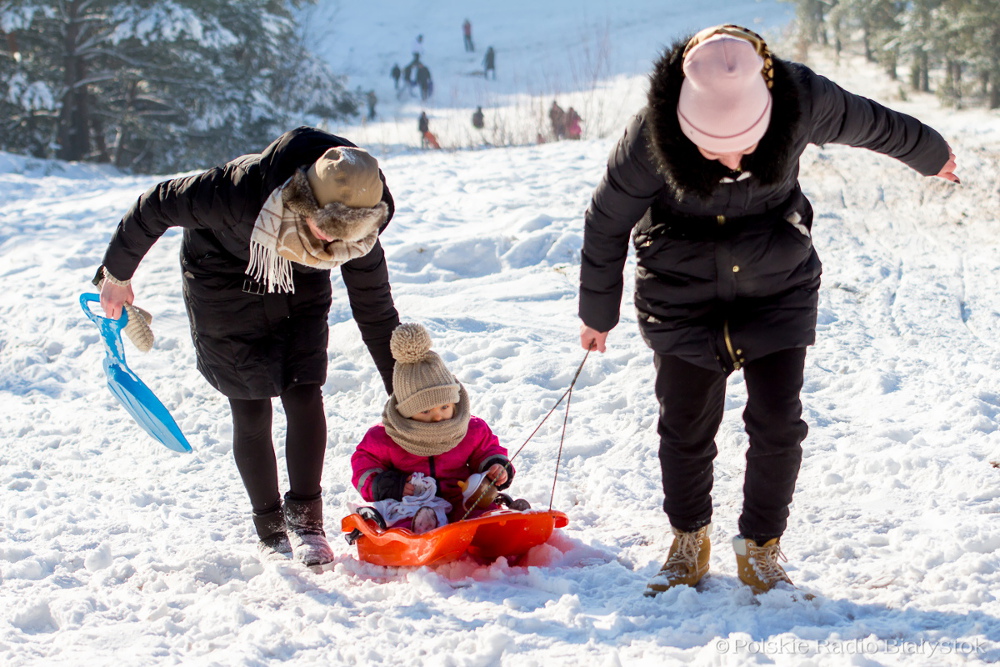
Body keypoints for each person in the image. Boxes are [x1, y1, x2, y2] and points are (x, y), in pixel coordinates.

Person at [577, 25, 958, 597]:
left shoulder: (800, 98)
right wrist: (597, 313)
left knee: (779, 424)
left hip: (777, 283)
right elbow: (606, 221)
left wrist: (931, 154)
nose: (732, 159)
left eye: (746, 144)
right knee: (684, 428)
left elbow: (872, 122)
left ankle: (761, 546)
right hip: (681, 293)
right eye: (713, 148)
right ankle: (688, 539)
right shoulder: (651, 134)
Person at [95, 127, 401, 567]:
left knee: (304, 391)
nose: (333, 244)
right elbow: (155, 204)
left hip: (299, 280)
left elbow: (376, 311)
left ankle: (306, 523)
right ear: (301, 201)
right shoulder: (237, 193)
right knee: (251, 403)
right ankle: (270, 527)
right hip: (221, 278)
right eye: (326, 231)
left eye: (346, 238)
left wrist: (406, 393)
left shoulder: (354, 231)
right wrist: (116, 275)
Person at [352, 323, 514, 533]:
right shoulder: (385, 436)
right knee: (401, 520)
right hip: (410, 502)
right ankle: (418, 534)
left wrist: (496, 467)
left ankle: (500, 526)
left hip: (459, 498)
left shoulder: (471, 429)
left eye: (445, 407)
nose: (438, 417)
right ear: (406, 412)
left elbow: (487, 450)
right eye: (426, 411)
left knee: (479, 512)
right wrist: (391, 485)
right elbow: (364, 467)